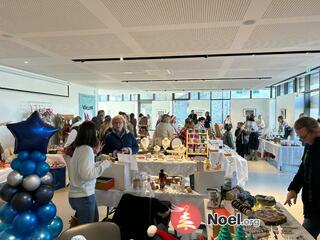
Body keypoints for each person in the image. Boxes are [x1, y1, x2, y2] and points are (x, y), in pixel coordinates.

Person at [68, 121, 112, 225]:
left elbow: (84, 169)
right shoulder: (86, 150)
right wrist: (105, 164)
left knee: (92, 224)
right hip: (83, 196)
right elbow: (87, 175)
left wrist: (99, 163)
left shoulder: (80, 148)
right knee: (87, 229)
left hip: (80, 195)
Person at [284, 117, 320, 238]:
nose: (302, 140)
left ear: (315, 131)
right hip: (311, 206)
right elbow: (304, 168)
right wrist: (293, 189)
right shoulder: (310, 144)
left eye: (303, 137)